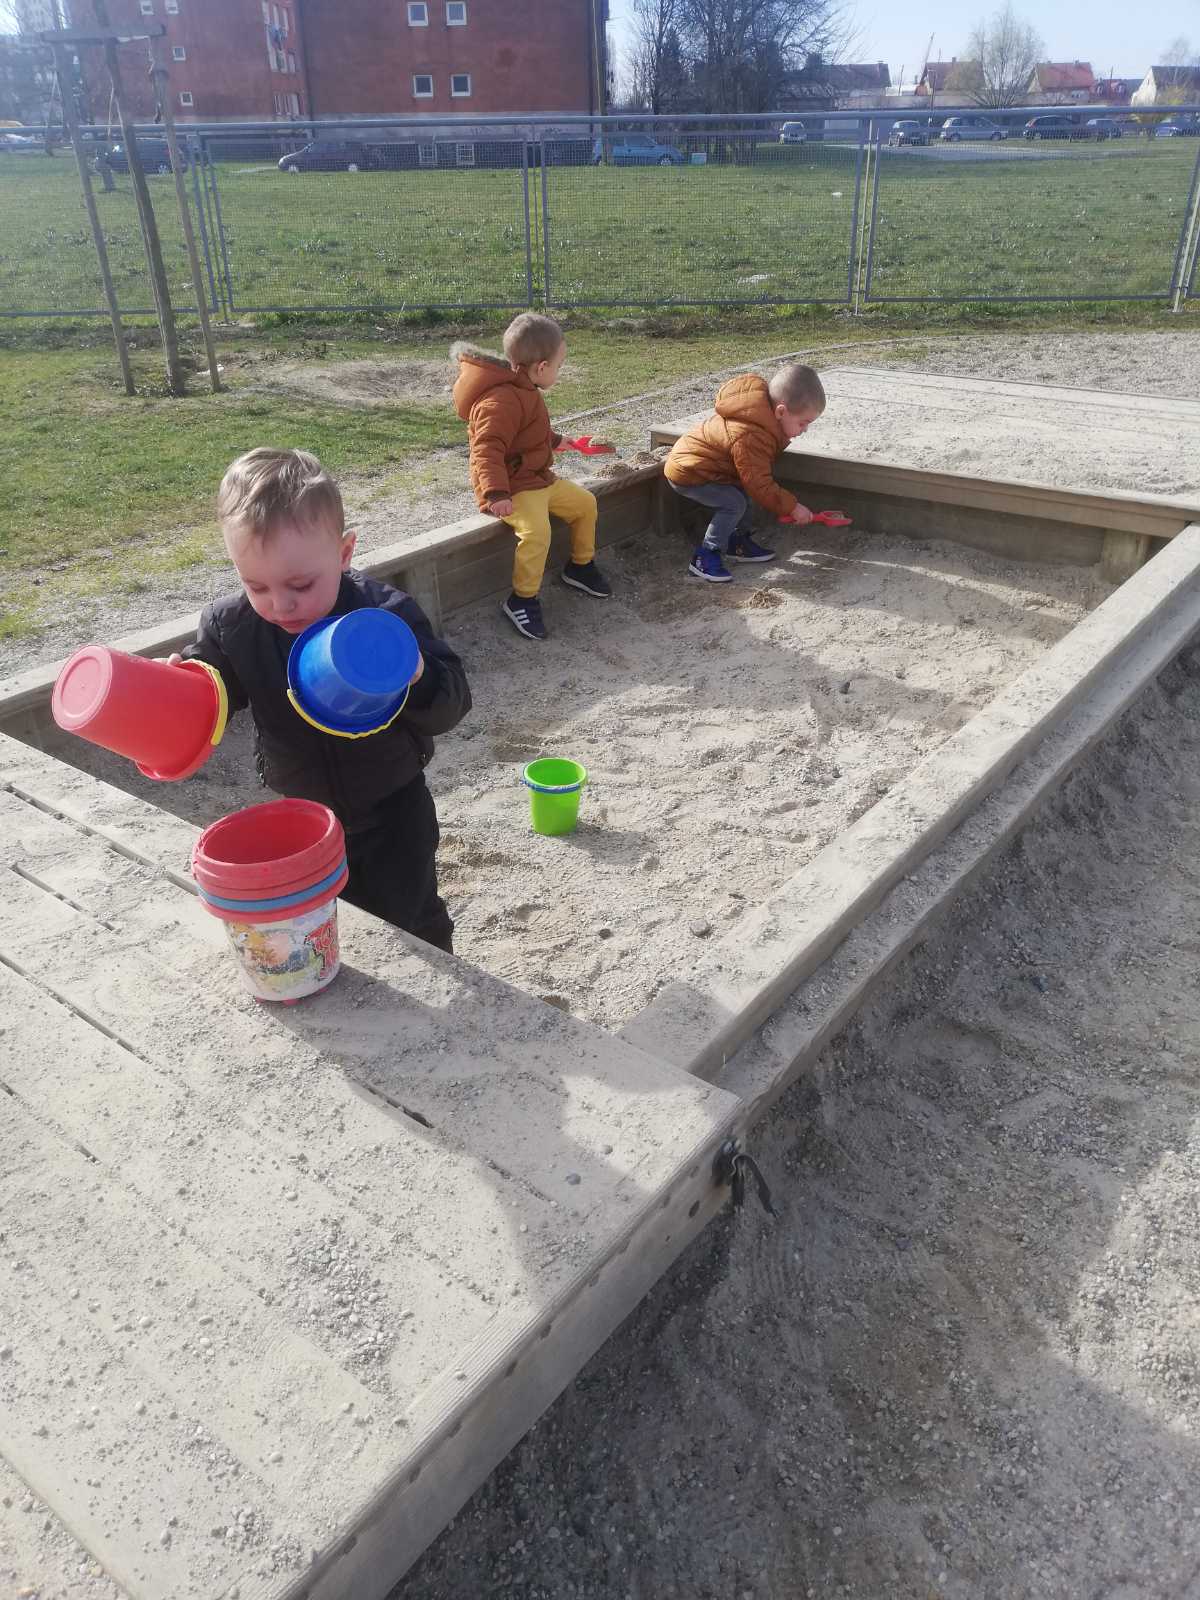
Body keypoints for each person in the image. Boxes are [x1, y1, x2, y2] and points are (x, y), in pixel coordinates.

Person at [177, 447, 470, 953]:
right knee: (322, 919)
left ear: (344, 553)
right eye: (255, 585)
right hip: (303, 814)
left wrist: (416, 674)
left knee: (411, 916)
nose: (280, 604)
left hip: (393, 807)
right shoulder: (234, 626)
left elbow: (451, 704)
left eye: (301, 584)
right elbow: (213, 693)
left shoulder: (384, 619)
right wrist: (179, 685)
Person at [452, 313, 611, 642]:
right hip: (512, 487)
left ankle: (580, 566)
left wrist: (557, 441)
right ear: (541, 367)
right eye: (559, 366)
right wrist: (496, 494)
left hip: (537, 478)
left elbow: (529, 431)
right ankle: (522, 599)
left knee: (585, 503)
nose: (559, 372)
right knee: (537, 532)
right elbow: (486, 450)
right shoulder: (500, 400)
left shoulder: (524, 389)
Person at [663, 363, 827, 583]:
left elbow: (753, 481)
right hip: (690, 471)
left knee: (743, 493)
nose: (805, 429)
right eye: (803, 423)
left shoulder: (761, 420)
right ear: (780, 411)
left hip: (710, 468)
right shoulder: (751, 435)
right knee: (734, 504)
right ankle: (705, 556)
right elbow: (760, 484)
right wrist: (792, 507)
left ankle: (736, 543)